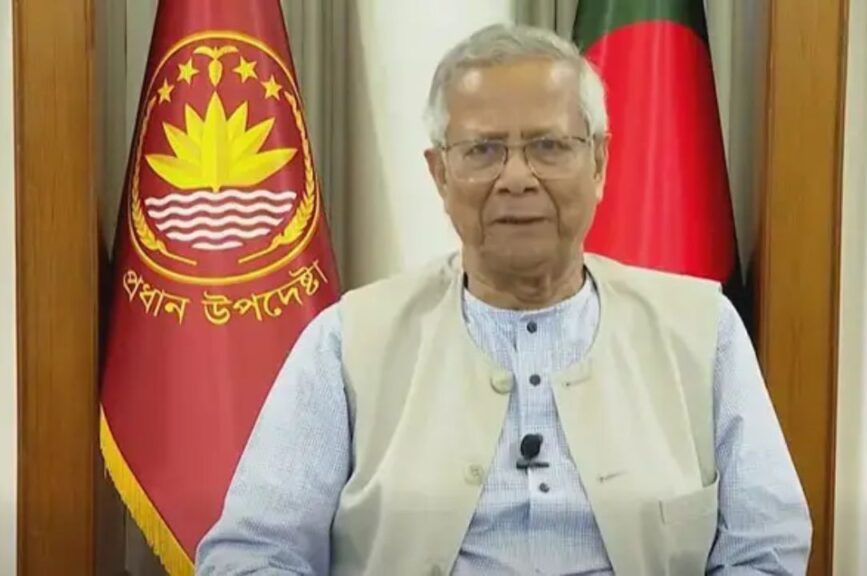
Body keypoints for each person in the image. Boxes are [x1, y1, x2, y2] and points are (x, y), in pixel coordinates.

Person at [195, 23, 811, 576]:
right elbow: (252, 554)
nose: (517, 178)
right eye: (483, 150)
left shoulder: (702, 332)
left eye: (549, 146)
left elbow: (765, 550)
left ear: (599, 162)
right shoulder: (348, 343)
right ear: (440, 174)